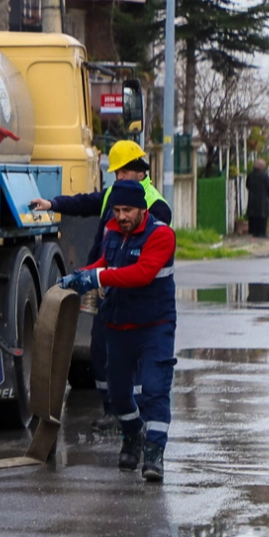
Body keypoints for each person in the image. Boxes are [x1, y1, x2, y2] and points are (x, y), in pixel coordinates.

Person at [29, 139, 171, 430]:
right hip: (110, 287)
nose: (116, 177)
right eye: (115, 172)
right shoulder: (115, 196)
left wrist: (98, 276)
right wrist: (53, 204)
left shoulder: (155, 206)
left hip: (138, 297)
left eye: (121, 171)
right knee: (100, 349)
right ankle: (114, 410)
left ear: (138, 170)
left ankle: (137, 419)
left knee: (140, 362)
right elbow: (86, 202)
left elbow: (143, 267)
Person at [60, 179, 177, 483]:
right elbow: (105, 261)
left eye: (127, 210)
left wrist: (98, 276)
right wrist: (83, 274)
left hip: (155, 326)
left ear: (142, 209)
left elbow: (142, 273)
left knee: (154, 389)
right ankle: (133, 433)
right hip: (118, 323)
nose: (121, 215)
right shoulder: (112, 230)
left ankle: (153, 452)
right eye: (117, 209)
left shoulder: (162, 235)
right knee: (118, 393)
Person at [245, 158, 269, 238]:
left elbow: (247, 185)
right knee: (263, 216)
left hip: (253, 199)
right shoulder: (264, 176)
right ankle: (262, 233)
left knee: (254, 216)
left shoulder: (250, 175)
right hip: (263, 200)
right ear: (262, 167)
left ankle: (255, 232)